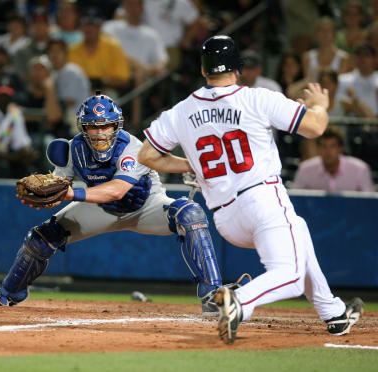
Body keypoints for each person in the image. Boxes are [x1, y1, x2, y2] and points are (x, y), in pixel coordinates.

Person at [137, 35, 364, 344]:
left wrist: (193, 165)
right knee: (291, 276)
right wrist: (320, 106)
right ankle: (240, 301)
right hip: (262, 201)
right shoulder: (258, 98)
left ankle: (333, 312)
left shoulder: (180, 111)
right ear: (238, 68)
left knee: (298, 229)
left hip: (226, 220)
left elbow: (147, 156)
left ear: (204, 71)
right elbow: (316, 128)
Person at [0, 92, 236, 317]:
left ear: (117, 126)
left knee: (189, 214)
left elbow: (118, 189)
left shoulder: (133, 146)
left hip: (146, 205)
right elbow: (58, 183)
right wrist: (50, 191)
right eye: (93, 126)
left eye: (106, 126)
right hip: (102, 209)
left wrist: (69, 194)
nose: (100, 132)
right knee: (39, 238)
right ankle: (8, 292)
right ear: (82, 128)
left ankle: (212, 295)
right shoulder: (71, 149)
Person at [292, 126, 374, 192]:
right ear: (318, 149)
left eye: (332, 146)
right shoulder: (305, 169)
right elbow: (295, 200)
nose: (328, 151)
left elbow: (369, 204)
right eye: (324, 146)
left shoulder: (360, 169)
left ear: (341, 149)